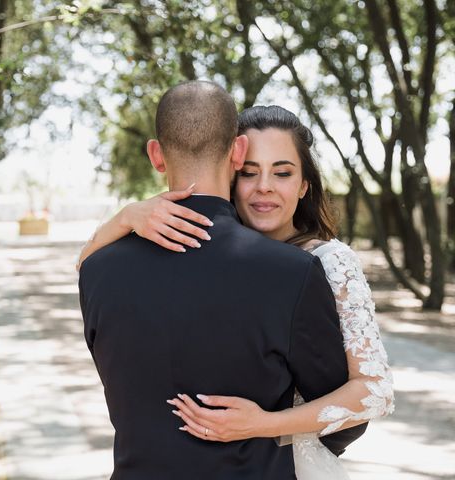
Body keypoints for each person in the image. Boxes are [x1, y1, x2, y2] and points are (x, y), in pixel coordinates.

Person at [78, 104, 394, 479]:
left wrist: (264, 424)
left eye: (283, 172)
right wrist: (126, 216)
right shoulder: (219, 256)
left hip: (286, 456)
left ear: (304, 185)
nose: (264, 187)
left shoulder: (328, 262)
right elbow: (86, 266)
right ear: (232, 167)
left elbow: (372, 391)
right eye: (249, 173)